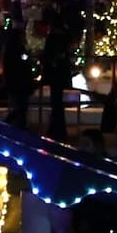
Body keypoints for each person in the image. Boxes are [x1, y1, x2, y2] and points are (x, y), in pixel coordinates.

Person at [39, 9, 74, 141]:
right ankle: (58, 128)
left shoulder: (53, 37)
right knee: (57, 102)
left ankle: (56, 129)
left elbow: (48, 55)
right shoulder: (65, 36)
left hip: (54, 74)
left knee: (56, 102)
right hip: (61, 73)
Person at [1, 25, 35, 130]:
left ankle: (14, 125)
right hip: (21, 82)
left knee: (19, 107)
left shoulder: (8, 50)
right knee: (21, 108)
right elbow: (23, 63)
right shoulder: (18, 50)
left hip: (14, 82)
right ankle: (13, 125)